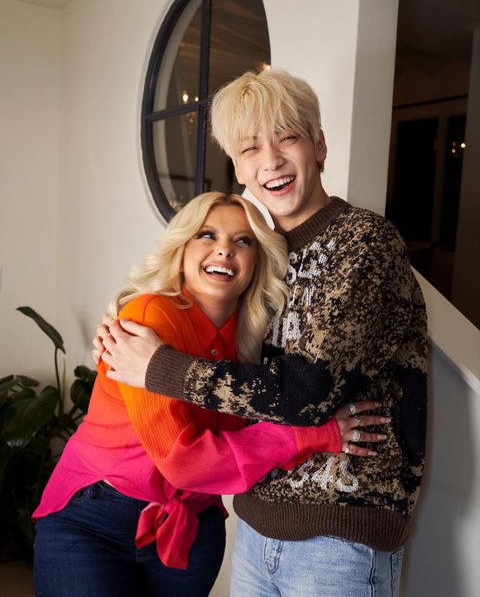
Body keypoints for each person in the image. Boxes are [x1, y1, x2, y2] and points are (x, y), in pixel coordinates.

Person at [98, 69, 428, 597]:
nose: (270, 160)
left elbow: (307, 393)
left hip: (340, 533)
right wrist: (129, 326)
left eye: (287, 137)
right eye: (251, 147)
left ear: (319, 146)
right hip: (256, 525)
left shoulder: (363, 242)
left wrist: (159, 367)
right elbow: (215, 336)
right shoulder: (263, 254)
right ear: (239, 168)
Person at [33, 191, 387, 597]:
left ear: (257, 260)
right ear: (181, 248)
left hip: (191, 526)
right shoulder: (149, 318)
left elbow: (290, 404)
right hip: (93, 521)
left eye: (243, 240)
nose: (224, 250)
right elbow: (182, 462)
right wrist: (309, 435)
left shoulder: (257, 339)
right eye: (207, 235)